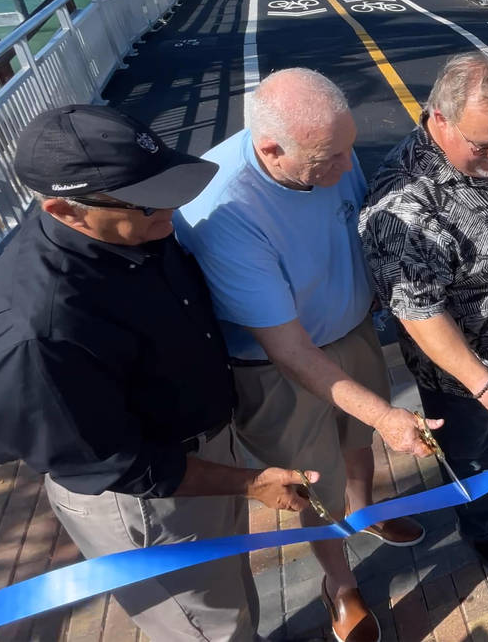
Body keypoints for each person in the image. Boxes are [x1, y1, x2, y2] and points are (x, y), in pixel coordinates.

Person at [0, 104, 314, 641]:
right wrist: (252, 482)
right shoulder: (32, 336)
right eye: (148, 206)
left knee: (232, 593)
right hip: (148, 501)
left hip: (207, 456)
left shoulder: (133, 228)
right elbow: (119, 466)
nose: (170, 216)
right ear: (66, 210)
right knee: (208, 626)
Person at [176, 68, 436, 642]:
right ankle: (340, 584)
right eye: (330, 160)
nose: (348, 170)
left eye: (348, 149)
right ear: (271, 150)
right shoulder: (226, 209)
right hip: (278, 367)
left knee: (358, 442)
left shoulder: (325, 150)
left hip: (350, 328)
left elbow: (357, 215)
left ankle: (365, 512)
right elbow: (290, 349)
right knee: (313, 478)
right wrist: (387, 413)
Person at [359, 53, 488, 570]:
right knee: (473, 451)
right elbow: (419, 312)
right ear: (439, 120)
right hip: (472, 372)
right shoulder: (402, 205)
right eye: (483, 146)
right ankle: (485, 528)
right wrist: (482, 383)